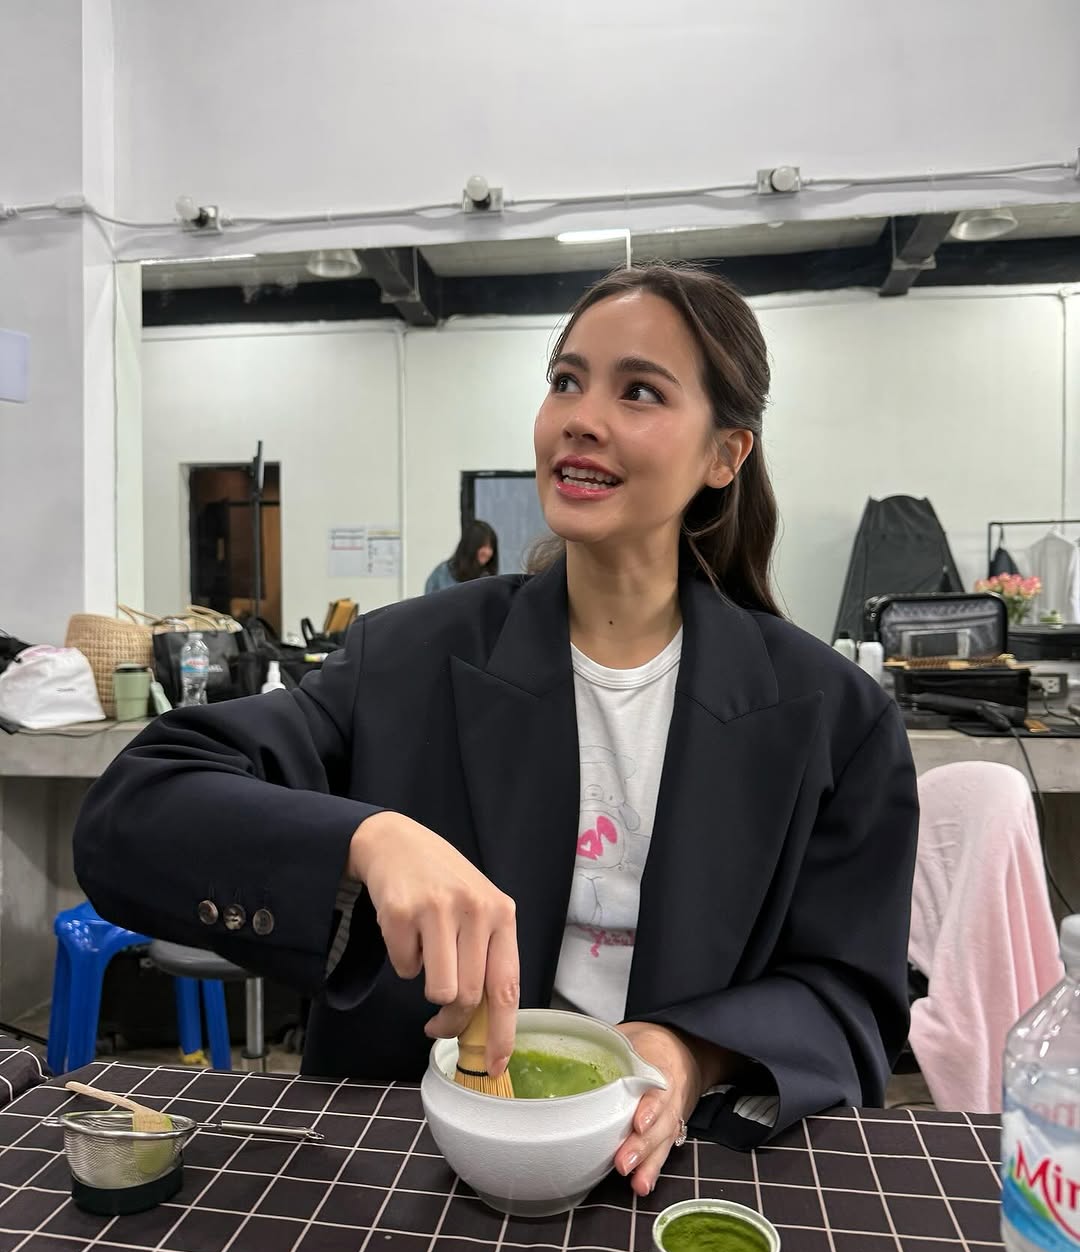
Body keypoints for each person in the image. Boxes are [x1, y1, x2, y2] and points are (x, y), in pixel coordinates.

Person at [74, 263, 918, 1195]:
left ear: (726, 454)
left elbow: (851, 998)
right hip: (411, 1169)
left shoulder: (835, 719)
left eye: (638, 391)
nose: (581, 418)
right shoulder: (405, 658)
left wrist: (691, 1052)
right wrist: (368, 840)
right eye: (566, 380)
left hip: (684, 1176)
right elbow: (132, 815)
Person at [424, 519, 499, 593]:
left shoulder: (490, 579)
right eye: (484, 545)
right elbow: (429, 599)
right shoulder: (441, 575)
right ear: (471, 546)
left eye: (491, 547)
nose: (488, 552)